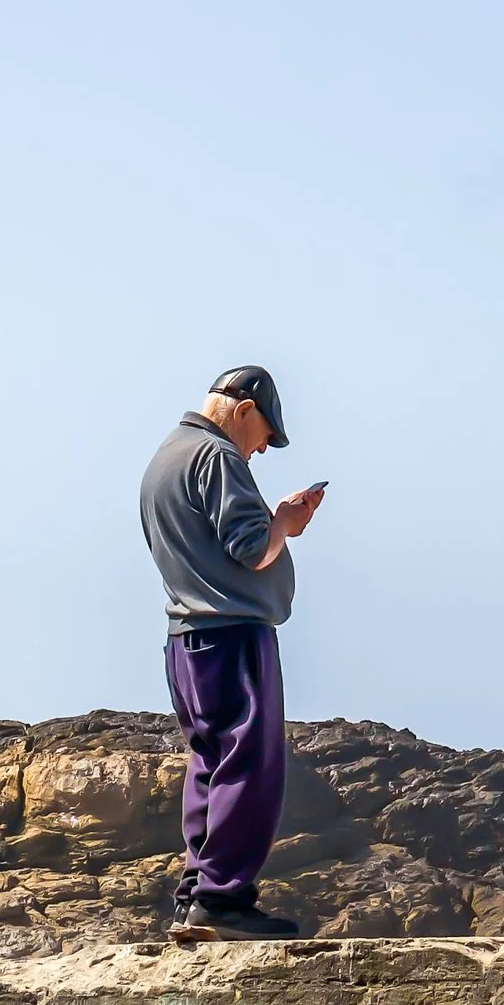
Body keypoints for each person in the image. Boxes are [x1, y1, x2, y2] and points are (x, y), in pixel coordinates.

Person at [137, 366, 324, 942]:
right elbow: (251, 549)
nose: (262, 449)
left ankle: (197, 895)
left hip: (186, 640)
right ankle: (222, 900)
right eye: (265, 435)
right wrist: (285, 522)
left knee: (211, 764)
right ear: (244, 410)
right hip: (232, 634)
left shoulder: (166, 457)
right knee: (249, 765)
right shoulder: (217, 455)